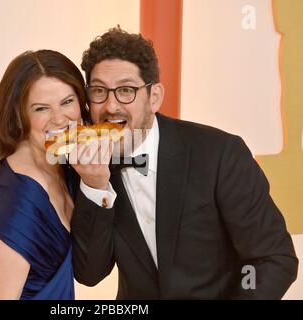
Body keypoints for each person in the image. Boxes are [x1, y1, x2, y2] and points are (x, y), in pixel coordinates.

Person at [70, 27, 299, 299]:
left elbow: (273, 259)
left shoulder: (220, 153)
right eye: (99, 91)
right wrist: (96, 187)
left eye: (126, 90)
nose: (110, 106)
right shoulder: (86, 167)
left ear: (154, 97)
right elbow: (90, 273)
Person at [0, 50, 90, 300]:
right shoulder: (19, 193)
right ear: (19, 114)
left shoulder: (64, 165)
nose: (59, 119)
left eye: (67, 102)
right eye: (41, 108)